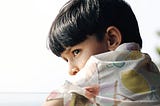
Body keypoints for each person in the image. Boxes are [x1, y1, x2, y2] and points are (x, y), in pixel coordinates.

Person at [43, 0, 160, 105]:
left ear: (111, 39)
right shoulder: (149, 66)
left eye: (76, 52)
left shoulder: (99, 66)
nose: (71, 69)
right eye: (66, 60)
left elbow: (53, 102)